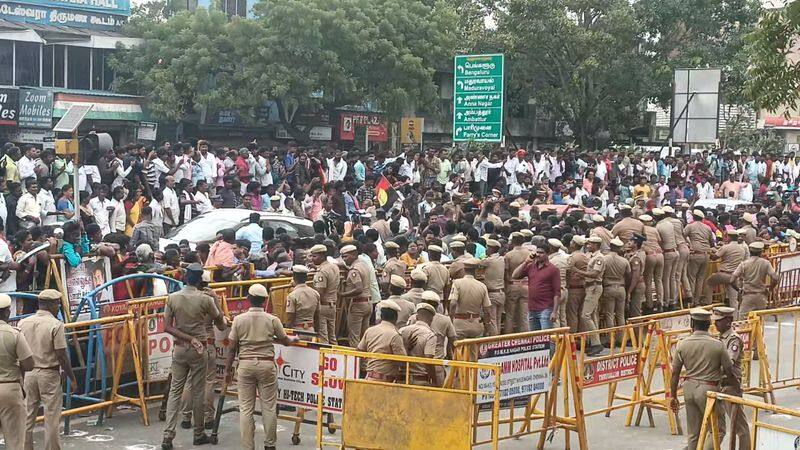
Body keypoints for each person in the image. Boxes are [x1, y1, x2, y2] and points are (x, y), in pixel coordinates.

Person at [224, 284, 299, 450]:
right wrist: (294, 339)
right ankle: (270, 444)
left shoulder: (239, 320)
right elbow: (285, 340)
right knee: (269, 407)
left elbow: (231, 348)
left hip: (245, 364)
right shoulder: (272, 319)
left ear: (248, 299)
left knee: (245, 409)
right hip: (266, 364)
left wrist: (228, 371)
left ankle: (247, 446)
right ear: (265, 301)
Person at [161, 263, 226, 449]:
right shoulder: (205, 300)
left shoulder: (172, 297)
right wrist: (217, 302)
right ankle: (198, 434)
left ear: (185, 277)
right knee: (198, 390)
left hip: (179, 349)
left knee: (176, 390)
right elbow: (221, 324)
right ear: (200, 280)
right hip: (199, 349)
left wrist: (186, 338)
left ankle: (168, 434)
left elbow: (167, 326)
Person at [670, 308, 735, 450]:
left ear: (692, 324)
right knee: (718, 430)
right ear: (709, 324)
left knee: (694, 433)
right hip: (709, 390)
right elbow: (729, 371)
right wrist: (736, 388)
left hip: (689, 388)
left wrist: (673, 396)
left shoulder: (682, 344)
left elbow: (675, 373)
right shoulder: (717, 345)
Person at [20, 289, 77, 450]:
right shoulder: (55, 324)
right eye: (57, 303)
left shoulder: (24, 323)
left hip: (29, 374)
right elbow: (61, 354)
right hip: (49, 373)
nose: (58, 307)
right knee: (51, 417)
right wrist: (72, 377)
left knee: (28, 415)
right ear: (51, 305)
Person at [711, 306, 750, 450]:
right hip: (721, 384)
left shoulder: (733, 339)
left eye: (719, 321)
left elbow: (728, 364)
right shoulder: (720, 338)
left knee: (740, 427)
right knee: (718, 427)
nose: (715, 324)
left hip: (730, 385)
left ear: (729, 321)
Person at [0, 293, 34, 450]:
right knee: (15, 441)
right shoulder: (13, 333)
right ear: (7, 312)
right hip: (10, 388)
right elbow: (29, 364)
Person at [511, 243, 560, 332]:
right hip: (532, 308)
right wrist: (526, 262)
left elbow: (557, 292)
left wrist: (554, 312)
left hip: (546, 308)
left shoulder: (553, 269)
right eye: (537, 252)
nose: (538, 255)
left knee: (546, 337)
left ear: (548, 254)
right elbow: (515, 275)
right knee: (535, 339)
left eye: (541, 253)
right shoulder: (531, 266)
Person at [356, 300, 407, 382]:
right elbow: (403, 361)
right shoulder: (395, 335)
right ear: (396, 317)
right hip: (385, 381)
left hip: (369, 377)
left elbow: (359, 350)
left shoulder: (370, 330)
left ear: (381, 316)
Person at [729, 241, 780, 319]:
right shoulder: (766, 263)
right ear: (761, 252)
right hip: (761, 296)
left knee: (744, 321)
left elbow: (732, 280)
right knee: (759, 321)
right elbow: (776, 278)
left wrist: (739, 290)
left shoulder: (744, 264)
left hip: (748, 295)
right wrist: (769, 289)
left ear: (750, 251)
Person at [448, 258, 491, 339]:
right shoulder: (482, 286)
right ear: (476, 270)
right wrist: (487, 327)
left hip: (460, 324)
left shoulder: (457, 283)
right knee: (475, 350)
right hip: (476, 324)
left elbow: (453, 303)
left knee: (459, 350)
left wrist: (450, 321)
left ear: (464, 270)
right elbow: (487, 310)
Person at [577, 236, 605, 355]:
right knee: (592, 315)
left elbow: (594, 274)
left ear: (596, 245)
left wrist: (578, 272)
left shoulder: (599, 258)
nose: (588, 246)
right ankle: (594, 342)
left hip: (594, 286)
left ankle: (596, 344)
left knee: (585, 315)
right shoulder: (593, 256)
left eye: (590, 244)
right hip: (590, 287)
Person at [400, 302, 439, 386]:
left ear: (417, 317)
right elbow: (428, 360)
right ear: (431, 319)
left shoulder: (402, 330)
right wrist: (434, 381)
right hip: (420, 380)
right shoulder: (430, 335)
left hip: (401, 379)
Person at [706, 229, 747, 310]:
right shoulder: (742, 249)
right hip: (735, 276)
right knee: (733, 300)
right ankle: (735, 318)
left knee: (709, 282)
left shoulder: (726, 247)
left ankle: (709, 305)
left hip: (724, 274)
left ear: (729, 237)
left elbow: (714, 258)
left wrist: (708, 252)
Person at [340, 244, 372, 346]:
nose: (344, 259)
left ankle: (354, 361)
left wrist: (343, 294)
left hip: (358, 305)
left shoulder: (354, 270)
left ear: (354, 255)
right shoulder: (363, 264)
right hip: (368, 302)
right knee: (364, 337)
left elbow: (359, 289)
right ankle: (364, 360)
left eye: (346, 256)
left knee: (354, 337)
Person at [309, 244, 339, 344]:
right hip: (332, 305)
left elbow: (319, 293)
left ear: (322, 256)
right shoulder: (333, 266)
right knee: (332, 336)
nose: (312, 259)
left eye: (314, 256)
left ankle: (324, 358)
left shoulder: (322, 272)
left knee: (323, 338)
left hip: (323, 305)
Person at [684, 209, 715, 306]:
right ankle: (696, 301)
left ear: (693, 217)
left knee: (692, 278)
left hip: (695, 254)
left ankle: (691, 301)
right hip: (706, 255)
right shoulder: (707, 227)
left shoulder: (690, 226)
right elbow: (712, 242)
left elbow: (682, 235)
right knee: (700, 279)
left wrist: (688, 243)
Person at [601, 238, 630, 337]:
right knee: (620, 314)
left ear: (610, 246)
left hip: (608, 287)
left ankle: (611, 339)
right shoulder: (624, 261)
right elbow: (628, 275)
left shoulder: (604, 259)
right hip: (621, 288)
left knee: (609, 314)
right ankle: (621, 339)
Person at [504, 232, 531, 333]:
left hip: (512, 285)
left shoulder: (509, 255)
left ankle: (508, 340)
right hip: (526, 285)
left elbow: (506, 274)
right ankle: (526, 339)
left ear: (513, 242)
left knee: (510, 315)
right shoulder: (529, 253)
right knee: (524, 316)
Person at [654, 208, 679, 310]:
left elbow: (659, 242)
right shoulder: (669, 223)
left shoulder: (658, 226)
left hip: (668, 253)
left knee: (665, 279)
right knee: (672, 278)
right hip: (675, 251)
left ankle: (666, 302)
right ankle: (673, 301)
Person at [285, 265, 320, 335]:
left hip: (297, 332)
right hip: (311, 331)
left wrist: (287, 333)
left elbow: (290, 318)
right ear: (306, 278)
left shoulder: (292, 295)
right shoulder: (315, 293)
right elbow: (317, 315)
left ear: (294, 278)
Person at [481, 239, 506, 335]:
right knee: (498, 321)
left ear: (491, 249)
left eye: (487, 248)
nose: (486, 250)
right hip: (501, 293)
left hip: (492, 294)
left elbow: (476, 263)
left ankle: (494, 343)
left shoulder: (488, 261)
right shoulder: (502, 259)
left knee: (492, 321)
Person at [547, 238, 569, 328]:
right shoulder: (564, 259)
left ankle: (557, 340)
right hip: (564, 289)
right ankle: (565, 338)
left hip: (555, 291)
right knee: (563, 317)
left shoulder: (551, 261)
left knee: (555, 316)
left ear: (551, 248)